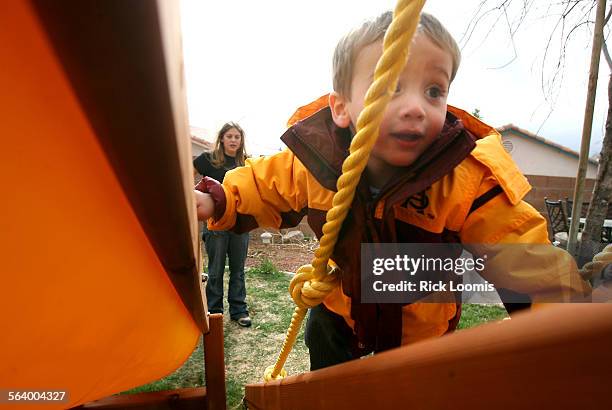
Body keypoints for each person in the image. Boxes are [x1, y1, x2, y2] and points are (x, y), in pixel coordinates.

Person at [194, 12, 590, 368]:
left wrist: (563, 319)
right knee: (324, 337)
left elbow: (523, 254)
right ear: (342, 108)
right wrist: (214, 198)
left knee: (407, 385)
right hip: (344, 311)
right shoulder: (317, 161)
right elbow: (265, 183)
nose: (417, 107)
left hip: (420, 328)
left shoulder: (463, 176)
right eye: (391, 87)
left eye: (434, 91)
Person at [194, 122, 251, 327]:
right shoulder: (207, 160)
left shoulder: (246, 163)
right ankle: (214, 311)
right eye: (230, 136)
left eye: (237, 137)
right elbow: (186, 174)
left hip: (240, 224)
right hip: (215, 225)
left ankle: (239, 310)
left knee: (238, 268)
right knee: (215, 269)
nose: (234, 140)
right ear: (222, 139)